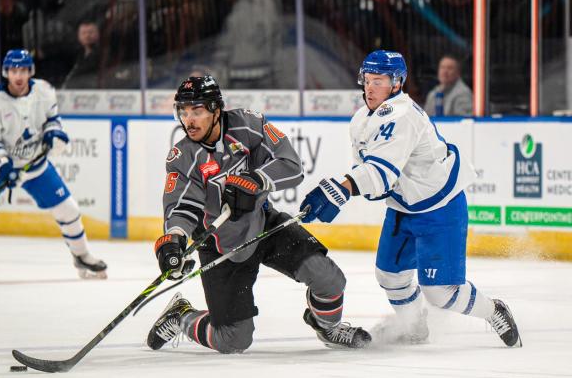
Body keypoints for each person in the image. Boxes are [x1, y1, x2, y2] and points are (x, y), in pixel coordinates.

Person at [299, 50, 521, 347]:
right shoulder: (360, 118)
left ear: (397, 83)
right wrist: (349, 187)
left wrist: (342, 189)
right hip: (404, 207)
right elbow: (370, 173)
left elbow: (381, 171)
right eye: (367, 79)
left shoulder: (402, 114)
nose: (370, 87)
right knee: (389, 275)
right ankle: (415, 327)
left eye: (379, 80)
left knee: (441, 293)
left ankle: (494, 310)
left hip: (439, 207)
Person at [146, 75, 371, 353]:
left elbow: (292, 165)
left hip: (264, 226)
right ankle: (181, 316)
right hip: (221, 248)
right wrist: (174, 238)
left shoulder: (248, 125)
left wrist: (257, 179)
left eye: (197, 111)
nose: (188, 120)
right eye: (184, 111)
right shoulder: (183, 156)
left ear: (216, 110)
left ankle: (328, 329)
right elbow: (181, 206)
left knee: (329, 278)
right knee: (233, 340)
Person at [0, 49, 107, 282]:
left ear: (29, 71)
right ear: (6, 72)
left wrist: (54, 134)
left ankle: (82, 255)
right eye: (14, 70)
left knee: (69, 209)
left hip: (33, 164)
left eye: (23, 70)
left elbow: (53, 120)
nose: (18, 75)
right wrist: (3, 166)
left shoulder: (44, 91)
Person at [62, 20, 101, 89]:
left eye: (90, 32)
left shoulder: (104, 54)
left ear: (98, 34)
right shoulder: (76, 54)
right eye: (83, 33)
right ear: (78, 36)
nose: (87, 36)